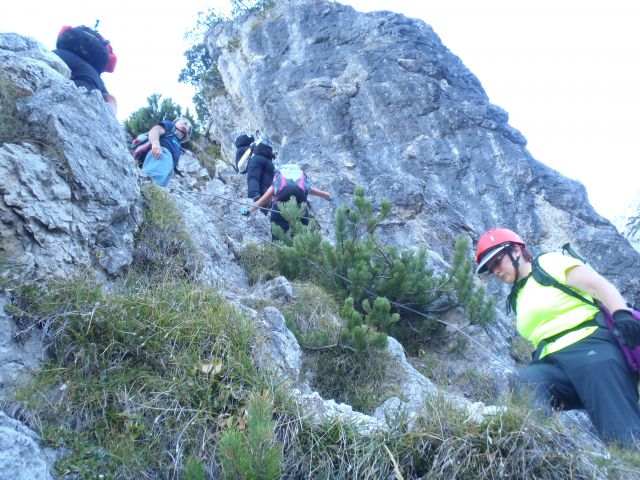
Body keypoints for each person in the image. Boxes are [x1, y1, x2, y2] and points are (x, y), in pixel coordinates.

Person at [476, 227, 640, 446]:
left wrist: (621, 315)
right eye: (489, 268)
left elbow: (598, 285)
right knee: (527, 382)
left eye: (497, 261)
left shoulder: (548, 264)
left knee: (622, 438)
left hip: (593, 349)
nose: (495, 270)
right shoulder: (517, 297)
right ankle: (545, 453)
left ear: (516, 251)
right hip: (555, 363)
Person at [242, 163, 331, 239]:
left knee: (278, 239)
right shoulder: (303, 184)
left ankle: (278, 253)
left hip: (280, 208)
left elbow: (261, 201)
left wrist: (248, 211)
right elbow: (325, 195)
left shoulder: (277, 184)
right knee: (301, 240)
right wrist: (330, 198)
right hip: (300, 209)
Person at [53, 25, 118, 115]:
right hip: (87, 74)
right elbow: (110, 102)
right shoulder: (96, 77)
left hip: (57, 55)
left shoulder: (60, 50)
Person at [140, 118, 192, 187]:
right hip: (160, 153)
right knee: (151, 181)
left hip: (167, 169)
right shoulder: (170, 126)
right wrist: (155, 144)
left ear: (188, 135)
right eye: (183, 121)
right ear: (175, 123)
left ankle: (152, 191)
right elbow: (155, 130)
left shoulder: (179, 149)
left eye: (188, 124)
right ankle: (147, 184)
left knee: (159, 187)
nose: (185, 123)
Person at [246, 137, 276, 202]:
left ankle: (254, 195)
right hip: (270, 164)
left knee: (253, 178)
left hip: (257, 159)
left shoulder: (259, 141)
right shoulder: (270, 148)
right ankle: (265, 201)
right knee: (266, 184)